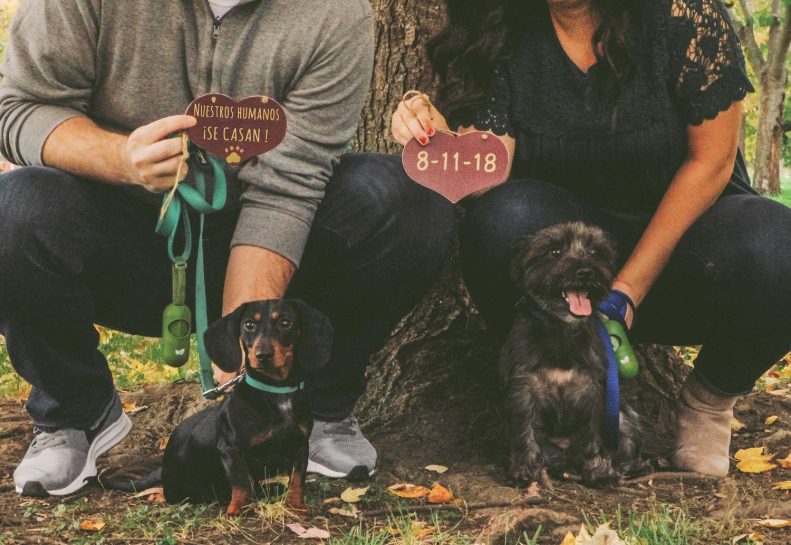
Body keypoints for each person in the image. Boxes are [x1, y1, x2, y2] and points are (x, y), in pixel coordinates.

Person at [0, 0, 457, 496]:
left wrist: (245, 359)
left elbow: (289, 185)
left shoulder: (336, 12)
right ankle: (74, 411)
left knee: (408, 201)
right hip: (116, 231)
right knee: (13, 207)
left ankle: (313, 406)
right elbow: (19, 108)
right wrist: (120, 158)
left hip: (273, 239)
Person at [392, 0, 791, 476]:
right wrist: (431, 137)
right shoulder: (501, 28)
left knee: (778, 244)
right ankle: (553, 391)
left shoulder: (686, 15)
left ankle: (709, 399)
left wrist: (626, 291)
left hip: (692, 249)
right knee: (500, 219)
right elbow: (491, 167)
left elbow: (712, 162)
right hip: (570, 266)